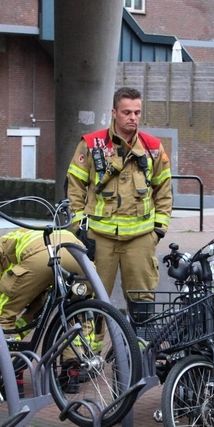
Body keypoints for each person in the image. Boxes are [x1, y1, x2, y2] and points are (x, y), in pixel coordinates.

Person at [66, 87, 173, 316]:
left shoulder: (153, 148)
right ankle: (92, 341)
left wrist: (158, 230)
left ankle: (138, 341)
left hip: (141, 239)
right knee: (92, 300)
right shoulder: (91, 144)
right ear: (114, 113)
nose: (133, 117)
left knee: (142, 304)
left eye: (137, 112)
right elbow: (74, 189)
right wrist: (79, 227)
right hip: (99, 238)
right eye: (127, 112)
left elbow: (164, 191)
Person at [0, 228, 84, 334]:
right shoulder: (26, 233)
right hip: (78, 254)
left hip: (43, 256)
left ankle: (5, 341)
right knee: (76, 313)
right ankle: (83, 344)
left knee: (1, 316)